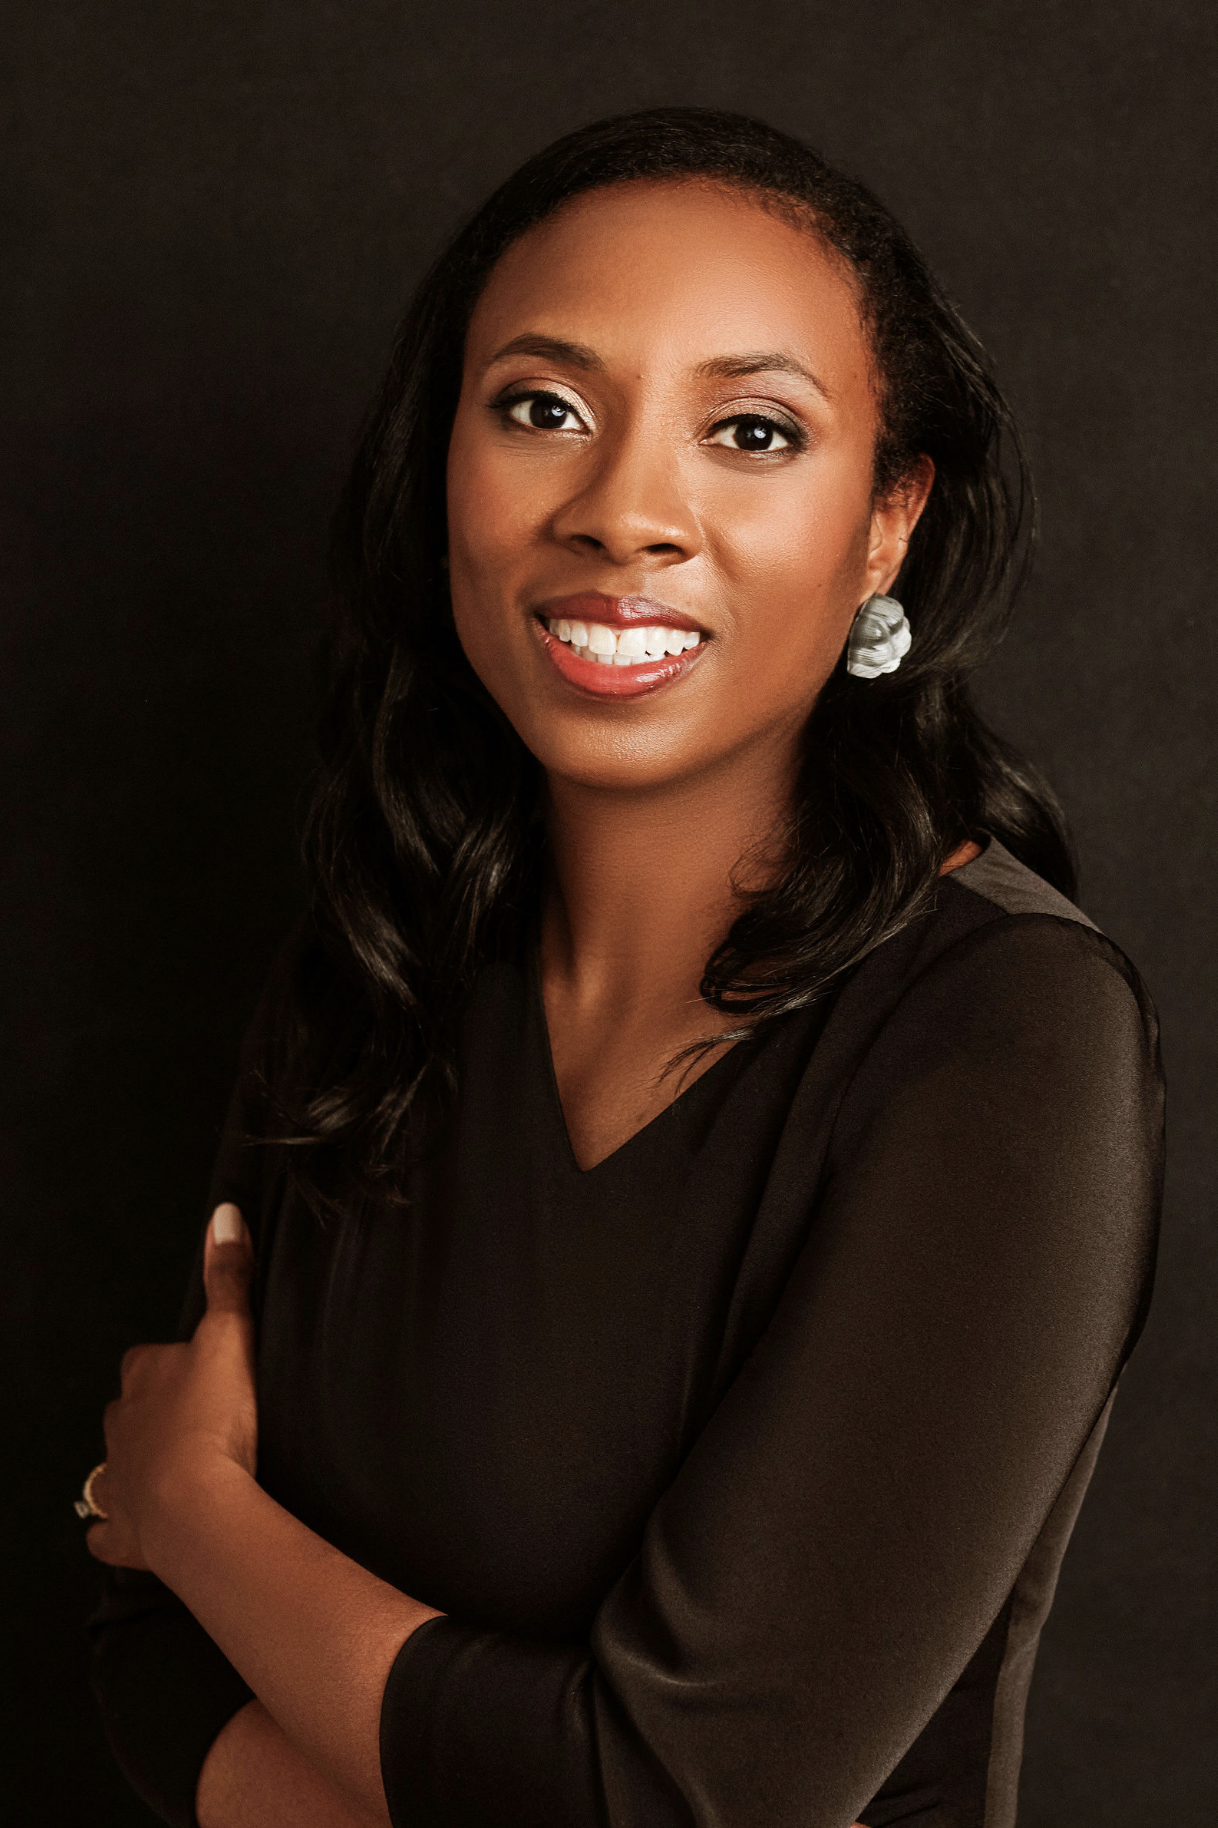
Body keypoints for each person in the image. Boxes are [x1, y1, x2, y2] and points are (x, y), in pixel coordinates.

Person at [82, 108, 1163, 1828]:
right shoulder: (372, 969)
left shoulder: (1003, 1032)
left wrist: (196, 1506)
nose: (624, 513)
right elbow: (144, 1667)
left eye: (750, 431)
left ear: (885, 524)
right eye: (542, 409)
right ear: (442, 459)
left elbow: (671, 1800)